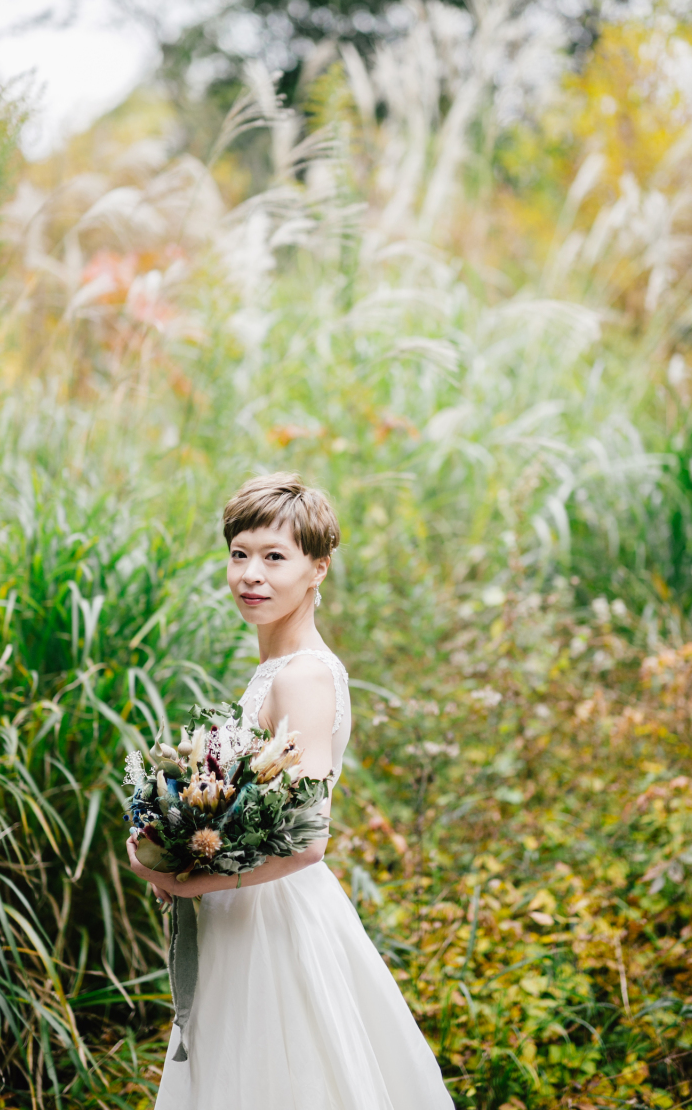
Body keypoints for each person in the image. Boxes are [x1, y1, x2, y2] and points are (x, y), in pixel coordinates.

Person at [126, 472, 454, 1109]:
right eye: (239, 554)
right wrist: (170, 832)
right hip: (246, 913)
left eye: (275, 557)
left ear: (318, 568)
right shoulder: (276, 668)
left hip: (275, 924)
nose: (251, 573)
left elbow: (309, 840)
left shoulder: (304, 676)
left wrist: (190, 881)